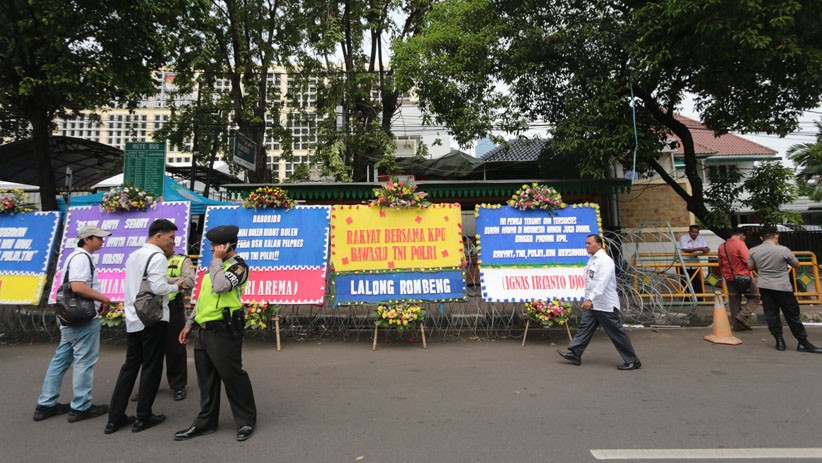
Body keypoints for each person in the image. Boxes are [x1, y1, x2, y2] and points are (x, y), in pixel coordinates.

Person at [174, 225, 257, 442]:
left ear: (227, 245)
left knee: (232, 376)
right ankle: (205, 423)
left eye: (215, 245)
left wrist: (217, 261)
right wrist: (189, 324)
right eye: (211, 246)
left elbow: (221, 287)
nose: (211, 249)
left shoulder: (238, 268)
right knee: (206, 380)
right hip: (203, 329)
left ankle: (246, 421)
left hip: (224, 330)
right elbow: (203, 297)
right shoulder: (214, 267)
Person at [104, 219, 181, 434]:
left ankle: (115, 417)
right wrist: (175, 285)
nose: (172, 243)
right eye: (171, 238)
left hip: (133, 317)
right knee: (152, 366)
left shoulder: (134, 255)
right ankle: (143, 416)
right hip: (152, 319)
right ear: (158, 235)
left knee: (130, 366)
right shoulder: (157, 257)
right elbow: (157, 287)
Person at [33, 226, 112, 422]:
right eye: (99, 238)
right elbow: (78, 286)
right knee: (84, 361)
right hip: (82, 318)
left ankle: (46, 403)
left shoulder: (75, 257)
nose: (102, 241)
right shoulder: (82, 258)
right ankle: (81, 406)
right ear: (87, 239)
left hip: (70, 316)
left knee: (60, 360)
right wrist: (104, 299)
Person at [557, 234, 641, 370]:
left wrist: (590, 299)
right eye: (586, 243)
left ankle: (632, 360)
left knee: (616, 333)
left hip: (605, 304)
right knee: (585, 327)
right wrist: (587, 298)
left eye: (589, 243)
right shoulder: (591, 260)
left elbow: (602, 282)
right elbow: (590, 282)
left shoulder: (605, 261)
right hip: (593, 304)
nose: (586, 246)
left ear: (599, 245)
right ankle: (575, 353)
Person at [747, 228, 822, 353]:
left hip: (765, 286)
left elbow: (750, 267)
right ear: (776, 236)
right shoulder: (783, 250)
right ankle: (802, 342)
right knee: (792, 315)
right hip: (783, 287)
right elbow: (796, 265)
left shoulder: (753, 251)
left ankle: (779, 341)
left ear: (761, 238)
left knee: (771, 314)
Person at [164, 249, 196, 401]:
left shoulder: (182, 260)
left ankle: (178, 385)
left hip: (172, 305)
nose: (171, 242)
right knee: (151, 348)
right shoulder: (150, 258)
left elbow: (190, 281)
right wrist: (175, 280)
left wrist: (166, 280)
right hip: (153, 305)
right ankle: (148, 383)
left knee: (175, 347)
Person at [717, 228, 759, 331]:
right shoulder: (740, 244)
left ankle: (737, 326)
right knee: (755, 297)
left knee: (734, 301)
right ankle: (743, 316)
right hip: (743, 276)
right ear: (742, 235)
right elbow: (747, 261)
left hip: (729, 277)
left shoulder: (722, 246)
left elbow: (720, 263)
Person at [679, 224, 710, 298]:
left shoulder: (701, 238)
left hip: (695, 264)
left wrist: (705, 249)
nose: (694, 234)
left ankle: (700, 299)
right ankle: (686, 300)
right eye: (693, 232)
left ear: (698, 233)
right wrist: (699, 249)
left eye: (696, 232)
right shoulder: (683, 238)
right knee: (684, 282)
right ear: (689, 232)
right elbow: (685, 249)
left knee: (697, 282)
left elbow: (706, 248)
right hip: (684, 263)